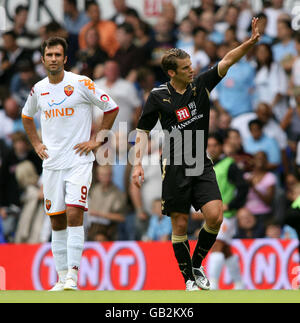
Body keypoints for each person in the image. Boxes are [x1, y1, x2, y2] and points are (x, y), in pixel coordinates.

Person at [132, 18, 261, 291]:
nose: (192, 70)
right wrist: (137, 164)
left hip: (199, 160)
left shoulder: (200, 84)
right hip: (175, 164)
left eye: (191, 66)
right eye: (186, 68)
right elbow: (142, 131)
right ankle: (189, 280)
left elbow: (227, 60)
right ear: (172, 73)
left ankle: (197, 263)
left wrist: (249, 43)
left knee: (215, 215)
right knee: (179, 224)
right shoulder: (157, 97)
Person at [21, 37, 119, 291]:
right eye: (49, 55)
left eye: (57, 55)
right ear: (42, 60)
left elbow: (111, 107)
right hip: (52, 164)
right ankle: (61, 277)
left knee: (75, 213)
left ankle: (73, 277)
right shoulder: (39, 89)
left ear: (65, 59)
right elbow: (26, 116)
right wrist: (36, 144)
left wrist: (97, 140)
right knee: (56, 221)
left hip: (78, 161)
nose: (53, 59)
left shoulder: (80, 83)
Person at [207, 133, 248, 290]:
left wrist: (231, 205)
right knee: (226, 249)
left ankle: (212, 284)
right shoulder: (208, 165)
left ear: (221, 146)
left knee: (216, 244)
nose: (212, 148)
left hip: (226, 215)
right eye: (209, 145)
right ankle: (239, 284)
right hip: (213, 215)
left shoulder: (229, 165)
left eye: (214, 145)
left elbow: (243, 187)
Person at [87, 165, 126, 242]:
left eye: (107, 175)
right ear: (98, 176)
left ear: (111, 175)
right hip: (91, 228)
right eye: (102, 175)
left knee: (100, 238)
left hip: (108, 229)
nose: (105, 177)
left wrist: (100, 214)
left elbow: (121, 217)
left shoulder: (117, 193)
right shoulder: (94, 190)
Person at [243, 151, 276, 228]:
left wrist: (254, 188)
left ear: (266, 161)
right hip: (247, 214)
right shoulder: (246, 176)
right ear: (253, 160)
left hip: (263, 214)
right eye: (258, 158)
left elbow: (268, 201)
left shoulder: (270, 177)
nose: (260, 160)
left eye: (262, 159)